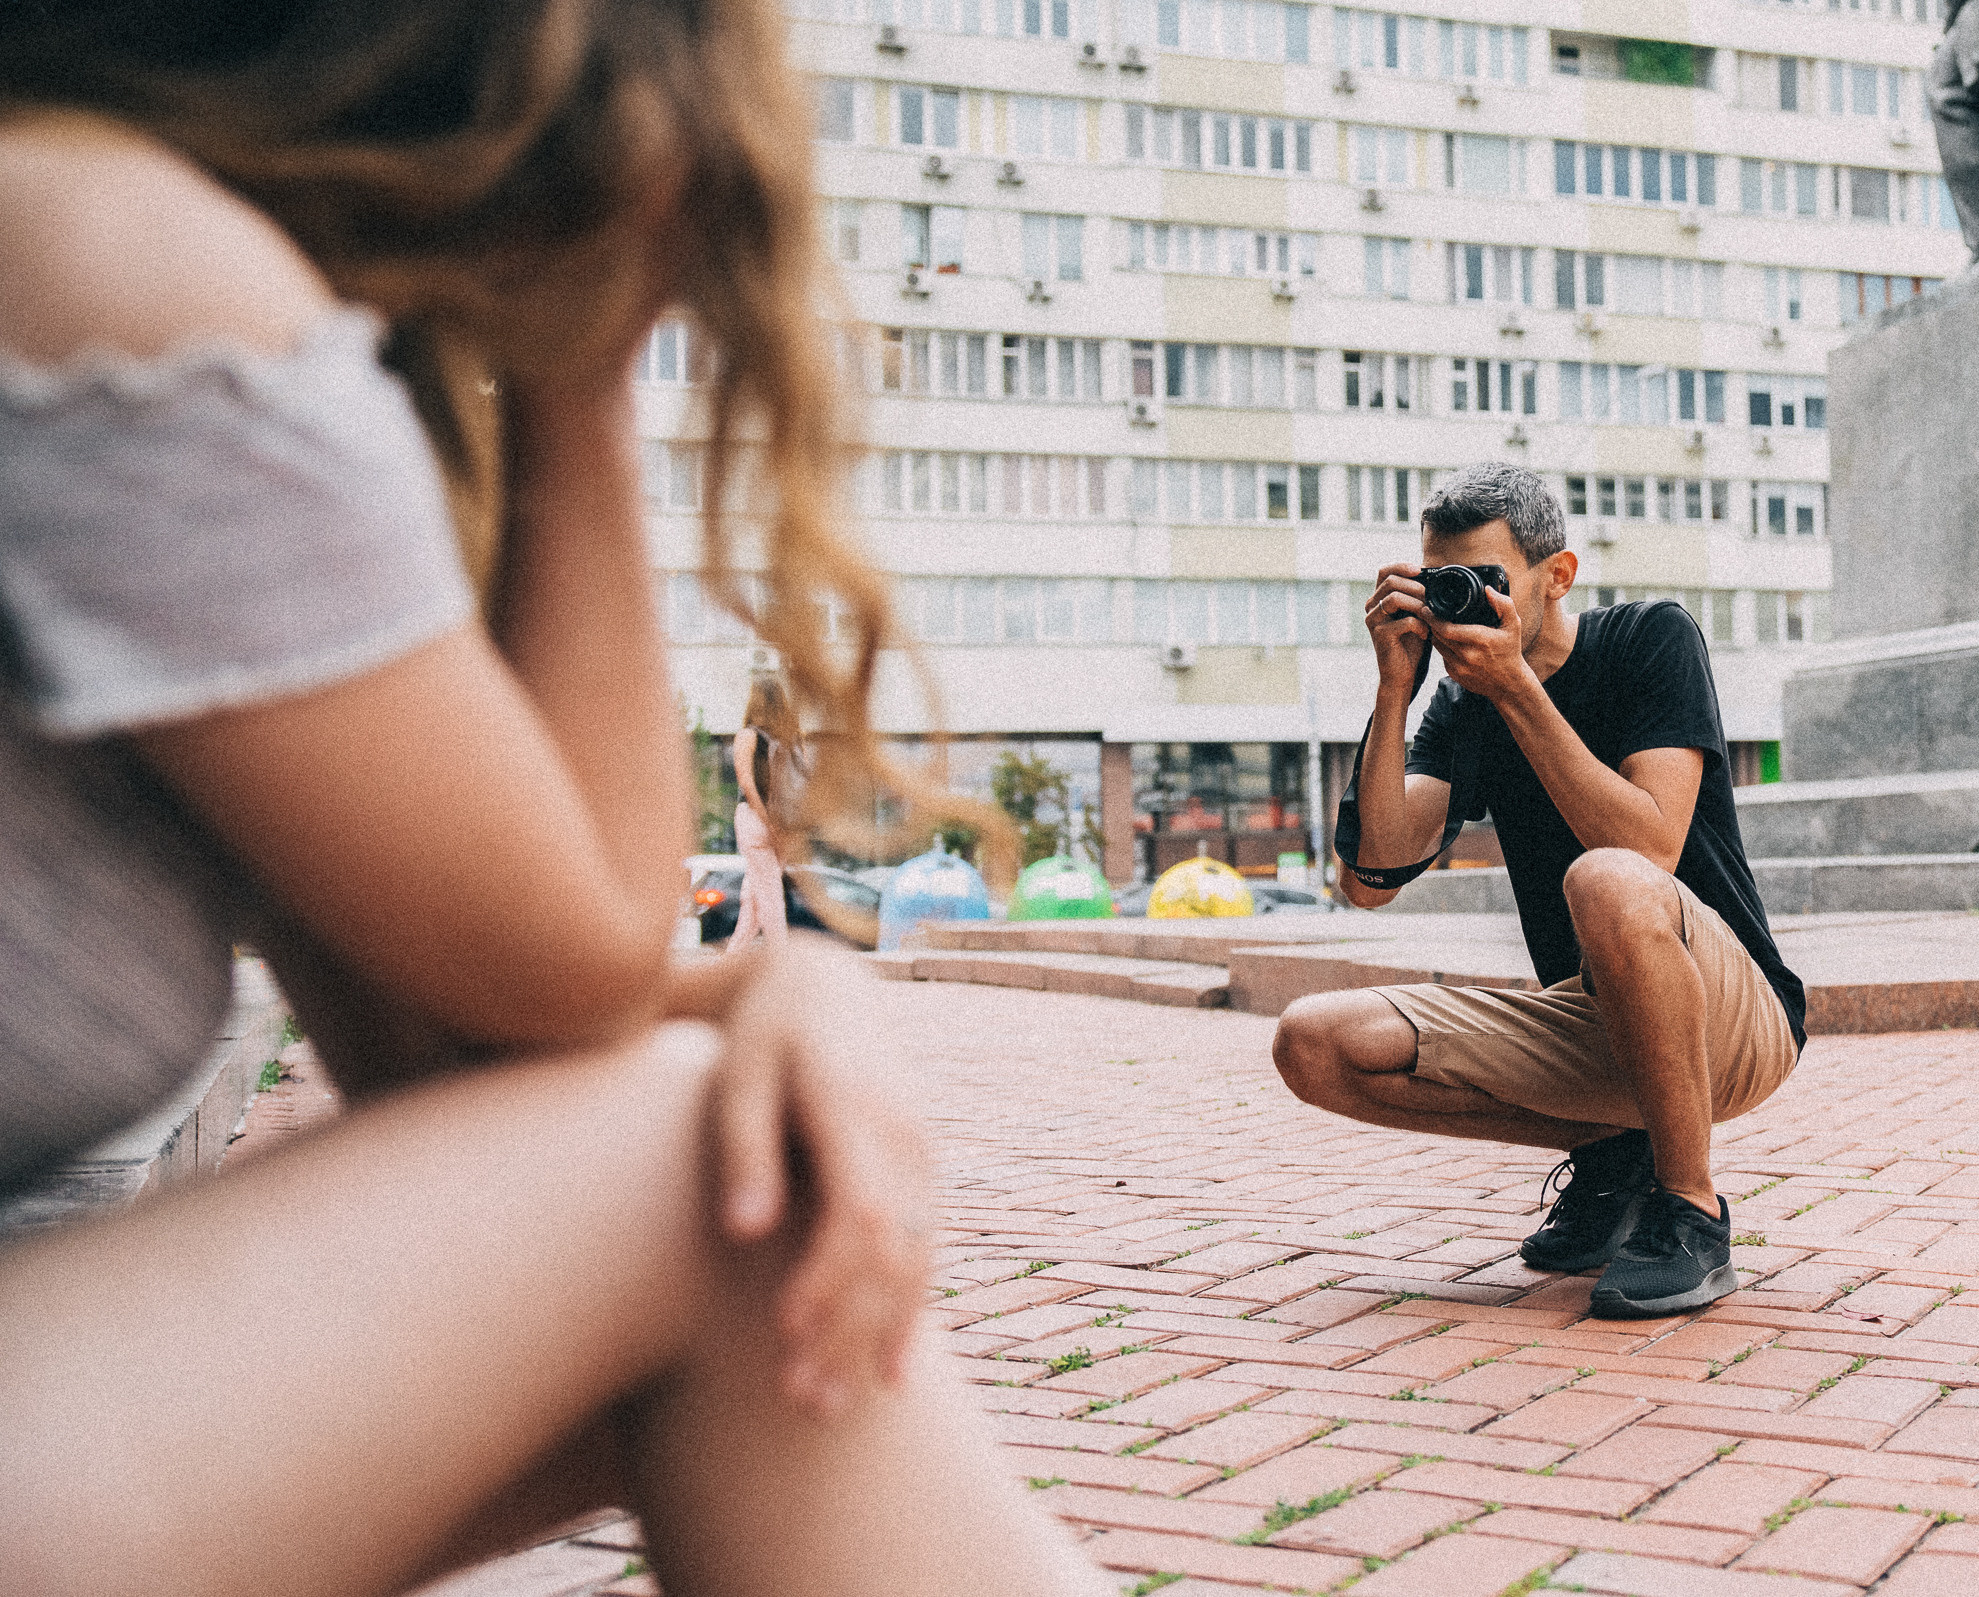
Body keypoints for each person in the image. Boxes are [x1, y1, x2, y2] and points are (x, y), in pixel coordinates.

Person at [0, 4, 1111, 1593]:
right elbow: (577, 973)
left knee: (733, 1180)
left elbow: (457, 1051)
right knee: (710, 1191)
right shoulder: (120, 254)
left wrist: (790, 984)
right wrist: (582, 380)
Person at [1271, 463, 1807, 1320]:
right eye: (1442, 581)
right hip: (1593, 1022)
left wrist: (1516, 689)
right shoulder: (1464, 706)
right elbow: (1370, 877)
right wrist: (1395, 689)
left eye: (1485, 577)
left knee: (1607, 878)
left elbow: (1649, 845)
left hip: (1733, 1019)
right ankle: (1618, 1156)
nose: (1462, 603)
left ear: (1557, 575)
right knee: (1314, 1042)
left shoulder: (1649, 640)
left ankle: (1690, 1210)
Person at [728, 678, 793, 952]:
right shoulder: (780, 742)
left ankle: (734, 958)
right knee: (767, 893)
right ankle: (779, 959)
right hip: (771, 822)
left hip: (757, 819)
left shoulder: (748, 736)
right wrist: (775, 824)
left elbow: (746, 782)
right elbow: (776, 787)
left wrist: (769, 824)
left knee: (759, 897)